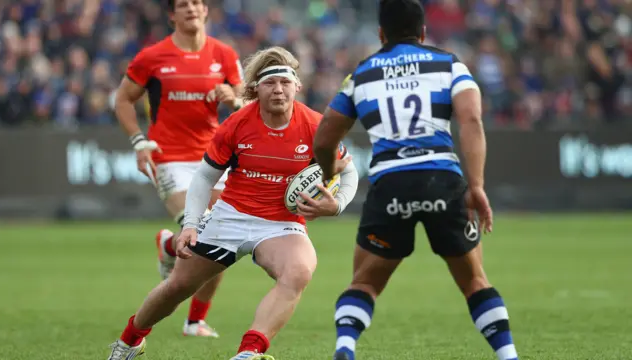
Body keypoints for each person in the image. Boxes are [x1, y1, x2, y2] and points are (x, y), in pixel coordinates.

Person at [106, 46, 359, 360]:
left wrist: (338, 205)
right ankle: (130, 340)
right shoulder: (236, 125)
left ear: (297, 86)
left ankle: (249, 352)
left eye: (284, 81)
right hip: (230, 216)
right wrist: (190, 225)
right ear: (254, 89)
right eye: (270, 83)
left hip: (281, 225)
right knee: (177, 288)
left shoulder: (315, 126)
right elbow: (203, 179)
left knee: (299, 270)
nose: (278, 89)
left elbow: (349, 171)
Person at [312, 1, 519, 360]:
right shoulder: (450, 64)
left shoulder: (361, 75)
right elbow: (471, 120)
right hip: (442, 180)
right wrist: (477, 185)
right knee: (473, 281)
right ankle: (508, 355)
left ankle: (346, 347)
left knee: (364, 283)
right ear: (423, 32)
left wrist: (329, 175)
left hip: (391, 184)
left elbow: (324, 140)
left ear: (381, 34)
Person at [113, 0, 244, 337]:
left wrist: (233, 97)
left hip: (215, 156)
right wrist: (139, 141)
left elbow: (245, 102)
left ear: (206, 11)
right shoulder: (152, 57)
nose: (191, 8)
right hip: (168, 156)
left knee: (221, 233)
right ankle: (177, 260)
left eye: (197, 3)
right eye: (183, 4)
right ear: (172, 14)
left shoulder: (225, 55)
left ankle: (192, 313)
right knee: (203, 225)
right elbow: (123, 99)